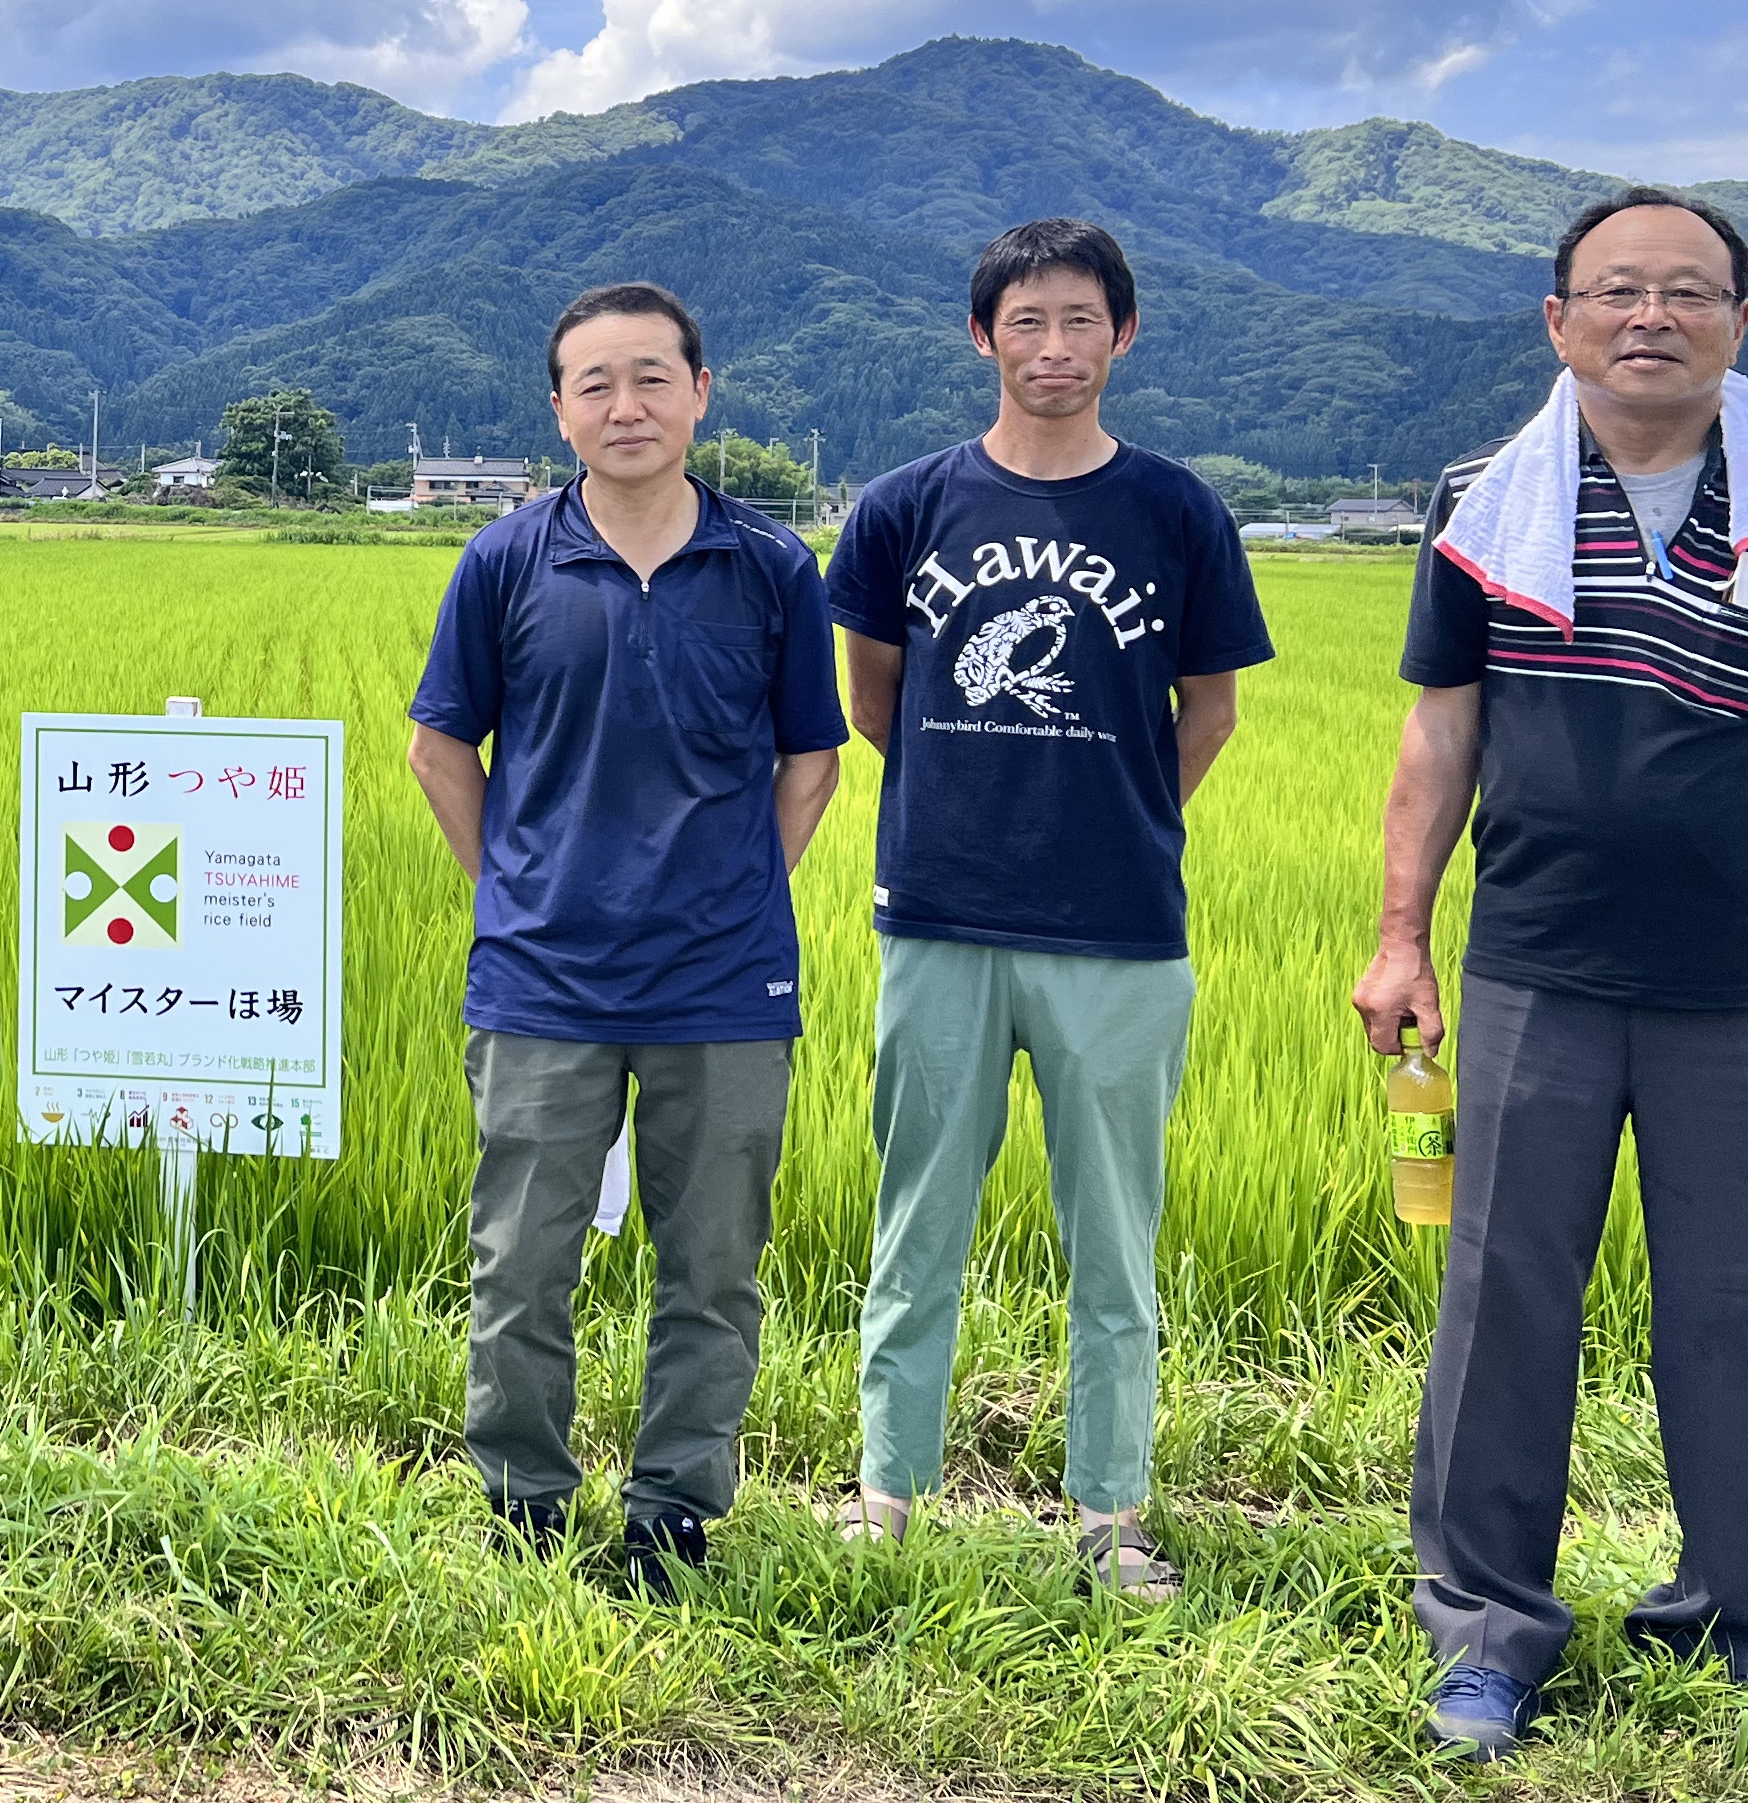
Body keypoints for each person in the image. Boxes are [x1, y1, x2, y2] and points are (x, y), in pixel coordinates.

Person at [1355, 187, 1748, 1768]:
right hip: (1535, 959)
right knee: (1503, 1300)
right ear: (1560, 322)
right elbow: (1440, 728)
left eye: (1687, 291)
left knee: (1741, 1312)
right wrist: (1402, 932)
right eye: (1616, 291)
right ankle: (1485, 1638)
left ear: (1742, 320)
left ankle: (1727, 1635)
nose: (1649, 316)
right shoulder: (1487, 500)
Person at [827, 219, 1273, 1595]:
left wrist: (1116, 815)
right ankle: (889, 1488)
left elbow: (1210, 711)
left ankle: (1111, 1515)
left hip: (1123, 933)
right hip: (941, 918)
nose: (1055, 348)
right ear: (984, 337)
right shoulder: (906, 506)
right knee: (918, 1223)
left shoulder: (1176, 511)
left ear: (1122, 336)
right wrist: (980, 812)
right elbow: (871, 702)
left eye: (1081, 321)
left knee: (1114, 1240)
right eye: (1027, 323)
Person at [407, 282, 844, 1596]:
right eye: (595, 384)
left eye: (652, 377)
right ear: (558, 410)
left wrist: (731, 898)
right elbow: (442, 752)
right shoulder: (506, 562)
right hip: (542, 981)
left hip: (724, 987)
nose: (626, 405)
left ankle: (673, 1514)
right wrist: (519, 894)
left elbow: (811, 766)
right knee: (522, 1264)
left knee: (712, 1265)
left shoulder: (771, 568)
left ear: (701, 393)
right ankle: (524, 1504)